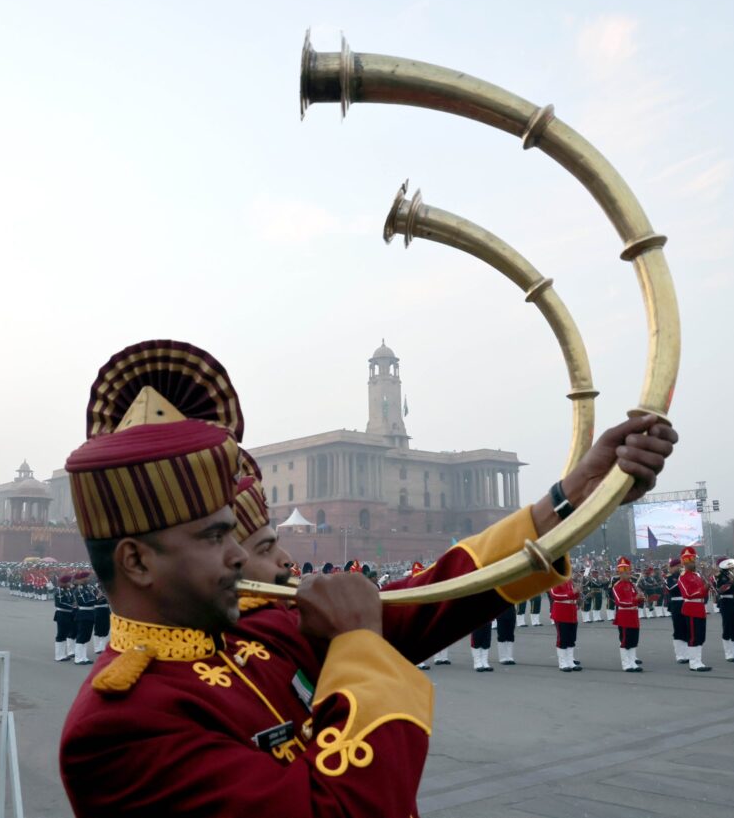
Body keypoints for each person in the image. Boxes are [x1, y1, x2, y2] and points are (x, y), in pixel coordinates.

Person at [58, 340, 676, 817]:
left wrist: (571, 503)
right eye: (215, 538)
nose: (241, 558)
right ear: (136, 561)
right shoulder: (120, 727)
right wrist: (358, 643)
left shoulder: (259, 634)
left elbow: (430, 596)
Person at [677, 547, 711, 672]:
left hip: (700, 607)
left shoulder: (697, 575)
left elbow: (702, 591)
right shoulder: (683, 577)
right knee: (694, 635)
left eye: (694, 560)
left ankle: (699, 661)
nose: (694, 563)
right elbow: (688, 594)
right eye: (691, 561)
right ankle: (694, 662)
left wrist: (709, 585)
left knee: (701, 636)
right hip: (691, 607)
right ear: (685, 562)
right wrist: (704, 589)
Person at [612, 557, 642, 672]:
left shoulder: (632, 585)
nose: (629, 573)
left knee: (634, 639)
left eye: (629, 571)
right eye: (626, 572)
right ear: (621, 573)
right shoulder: (617, 586)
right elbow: (620, 601)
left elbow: (636, 599)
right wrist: (635, 599)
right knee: (626, 639)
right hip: (624, 615)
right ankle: (626, 664)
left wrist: (640, 599)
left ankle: (632, 662)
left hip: (633, 614)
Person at [714, 558, 734, 662]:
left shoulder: (733, 574)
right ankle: (729, 654)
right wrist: (730, 582)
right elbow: (720, 589)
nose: (730, 566)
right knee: (727, 627)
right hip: (726, 602)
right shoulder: (720, 576)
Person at [550, 578, 582, 671]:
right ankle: (563, 663)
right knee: (563, 639)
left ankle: (570, 662)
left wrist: (578, 592)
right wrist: (573, 592)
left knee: (571, 639)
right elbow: (555, 595)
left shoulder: (569, 582)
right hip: (561, 613)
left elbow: (574, 596)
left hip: (571, 613)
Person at [664, 557, 687, 664]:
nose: (679, 568)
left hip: (686, 603)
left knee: (687, 628)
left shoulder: (685, 576)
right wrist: (681, 579)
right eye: (677, 566)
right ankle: (680, 655)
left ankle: (687, 653)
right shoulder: (669, 578)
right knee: (678, 629)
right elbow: (671, 588)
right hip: (676, 604)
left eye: (680, 566)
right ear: (672, 568)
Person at [71, 571, 96, 665]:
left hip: (89, 613)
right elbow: (86, 601)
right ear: (82, 579)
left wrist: (94, 599)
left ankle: (84, 657)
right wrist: (96, 598)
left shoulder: (87, 588)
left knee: (86, 636)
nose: (88, 579)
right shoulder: (80, 590)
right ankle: (78, 658)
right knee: (81, 636)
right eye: (87, 577)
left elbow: (92, 598)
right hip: (83, 613)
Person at [53, 574, 76, 662]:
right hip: (62, 614)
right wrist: (72, 606)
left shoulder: (68, 590)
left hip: (68, 614)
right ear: (64, 583)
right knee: (61, 634)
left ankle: (63, 654)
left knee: (65, 634)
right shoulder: (59, 591)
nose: (70, 583)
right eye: (68, 582)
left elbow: (71, 600)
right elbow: (60, 603)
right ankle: (58, 655)